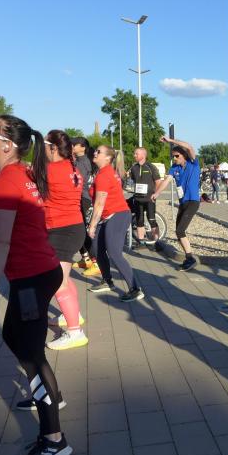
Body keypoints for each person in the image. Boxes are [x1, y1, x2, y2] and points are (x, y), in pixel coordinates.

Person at [0, 115, 72, 455]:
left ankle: (54, 439)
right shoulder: (22, 174)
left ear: (7, 144)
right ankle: (49, 394)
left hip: (32, 276)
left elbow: (0, 241)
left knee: (32, 354)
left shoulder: (7, 180)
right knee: (14, 336)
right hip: (37, 272)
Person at [34, 130, 89, 351]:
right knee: (64, 278)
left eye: (45, 146)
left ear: (53, 148)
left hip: (62, 230)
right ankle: (72, 316)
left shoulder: (50, 169)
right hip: (73, 227)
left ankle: (75, 332)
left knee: (58, 282)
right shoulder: (73, 168)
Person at [86, 146, 144, 302]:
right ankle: (107, 281)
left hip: (118, 215)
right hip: (107, 216)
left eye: (99, 152)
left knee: (114, 253)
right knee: (97, 249)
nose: (95, 153)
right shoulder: (103, 172)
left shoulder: (104, 174)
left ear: (107, 158)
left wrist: (92, 225)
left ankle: (135, 289)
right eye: (96, 151)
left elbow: (99, 203)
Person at [152, 136, 201, 271]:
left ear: (184, 155)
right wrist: (157, 193)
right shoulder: (174, 168)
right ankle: (189, 258)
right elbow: (166, 181)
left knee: (180, 230)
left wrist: (171, 141)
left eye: (177, 156)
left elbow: (189, 147)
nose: (174, 158)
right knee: (178, 233)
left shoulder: (193, 163)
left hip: (193, 201)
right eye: (173, 156)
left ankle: (190, 258)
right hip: (183, 202)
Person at [70, 137, 98, 275]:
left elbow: (76, 183)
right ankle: (86, 259)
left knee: (80, 231)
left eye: (74, 144)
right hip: (83, 198)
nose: (72, 147)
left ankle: (95, 262)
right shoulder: (82, 160)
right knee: (78, 230)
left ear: (82, 147)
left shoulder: (82, 162)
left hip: (83, 199)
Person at [128, 147, 161, 247]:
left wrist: (156, 193)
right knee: (139, 220)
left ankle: (157, 242)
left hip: (149, 199)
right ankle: (141, 242)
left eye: (136, 154)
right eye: (134, 153)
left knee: (152, 220)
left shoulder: (151, 167)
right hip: (138, 198)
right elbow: (132, 181)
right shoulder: (134, 168)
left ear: (143, 155)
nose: (134, 155)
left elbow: (158, 182)